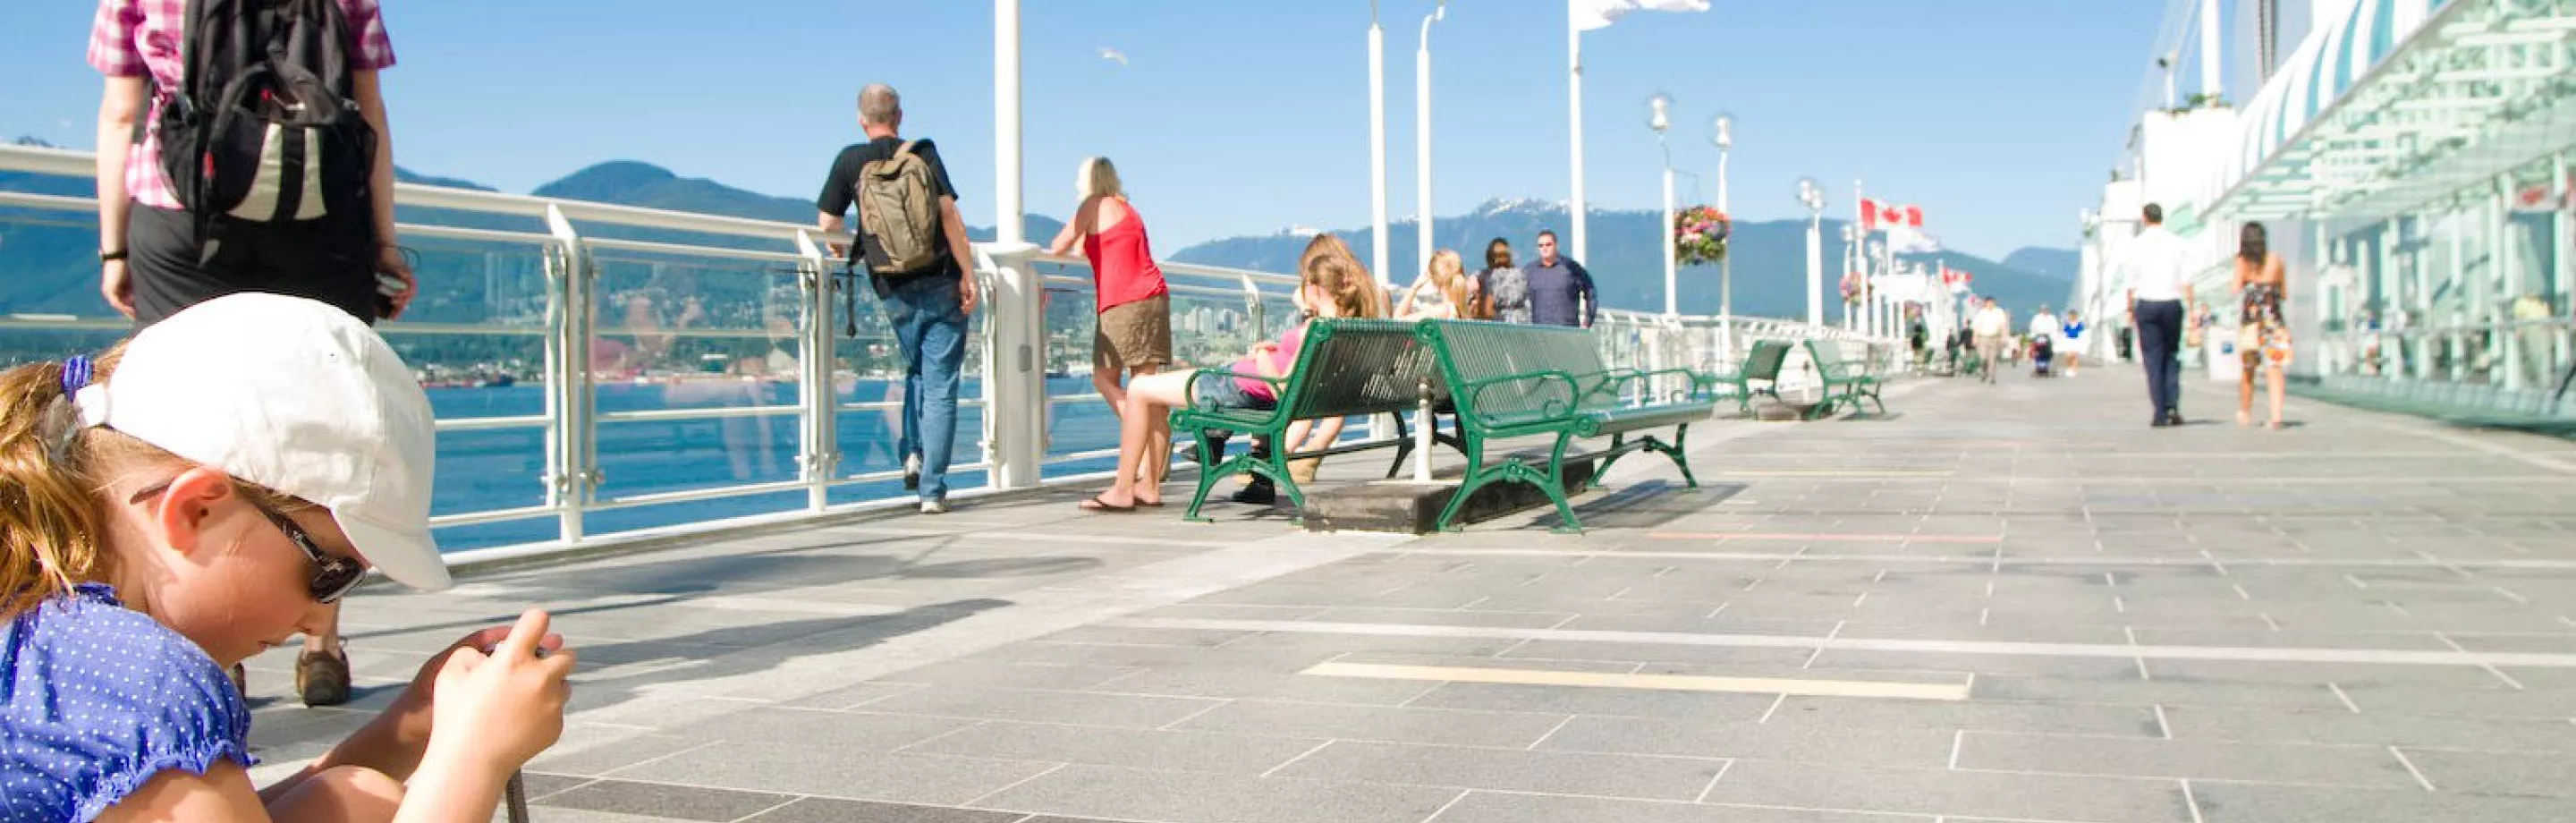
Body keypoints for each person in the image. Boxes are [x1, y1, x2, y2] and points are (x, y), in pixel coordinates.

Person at [0, 293, 574, 823]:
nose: (320, 619)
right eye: (327, 573)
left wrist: (413, 724)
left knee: (354, 797)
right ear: (198, 511)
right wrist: (476, 758)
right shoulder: (142, 684)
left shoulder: (53, 642)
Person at [90, 0, 416, 709]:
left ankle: (207, 649)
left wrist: (115, 247)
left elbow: (122, 115)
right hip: (322, 220)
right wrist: (384, 242)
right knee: (332, 432)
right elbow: (370, 116)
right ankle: (322, 644)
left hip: (183, 216)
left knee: (175, 430)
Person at [1080, 254, 1378, 512]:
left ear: (1313, 288)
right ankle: (1147, 485)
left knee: (1139, 388)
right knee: (1151, 390)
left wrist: (1262, 354)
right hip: (1245, 387)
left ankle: (1124, 488)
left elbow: (1281, 386)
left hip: (1236, 389)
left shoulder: (1315, 328)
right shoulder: (1344, 329)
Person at [816, 84, 980, 514]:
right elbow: (950, 217)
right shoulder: (923, 153)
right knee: (940, 385)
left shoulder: (850, 159)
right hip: (940, 278)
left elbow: (828, 222)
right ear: (900, 116)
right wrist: (968, 272)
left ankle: (912, 452)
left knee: (917, 370)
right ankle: (931, 490)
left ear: (861, 118)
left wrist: (842, 247)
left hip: (892, 285)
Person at [1046, 157, 1172, 485]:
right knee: (1148, 388)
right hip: (1155, 297)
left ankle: (1141, 445)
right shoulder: (1128, 209)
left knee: (1103, 379)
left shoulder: (1092, 204)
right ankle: (1151, 480)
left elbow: (1058, 245)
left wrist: (1051, 267)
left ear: (1088, 181)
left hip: (1123, 302)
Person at [2125, 203, 2193, 428]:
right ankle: (2172, 406)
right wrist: (2191, 310)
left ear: (2144, 218)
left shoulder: (2136, 245)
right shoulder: (2178, 242)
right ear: (2162, 217)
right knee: (2172, 355)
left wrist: (2129, 310)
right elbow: (2186, 280)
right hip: (2172, 302)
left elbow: (2131, 283)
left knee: (2153, 359)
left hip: (2147, 303)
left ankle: (2159, 410)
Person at [2233, 222, 2292, 428]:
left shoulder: (2242, 262)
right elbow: (2283, 293)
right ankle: (2276, 416)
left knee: (2248, 369)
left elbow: (2235, 288)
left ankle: (2246, 411)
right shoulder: (2276, 261)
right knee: (2274, 368)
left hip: (2250, 323)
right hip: (2274, 322)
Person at [1521, 230, 1597, 328]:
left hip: (1567, 331)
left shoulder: (1571, 268)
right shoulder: (1529, 271)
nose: (1544, 248)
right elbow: (1518, 297)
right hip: (1539, 331)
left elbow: (1590, 292)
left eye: (1548, 245)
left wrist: (1588, 321)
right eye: (1541, 245)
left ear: (1556, 245)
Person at [1469, 238, 1530, 323]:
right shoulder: (1521, 276)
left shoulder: (1484, 276)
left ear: (1489, 256)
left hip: (1495, 326)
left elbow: (1486, 307)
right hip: (1518, 324)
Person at [1398, 250, 1470, 320]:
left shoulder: (1443, 311)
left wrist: (1414, 287)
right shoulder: (1464, 312)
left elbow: (1398, 322)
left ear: (1434, 281)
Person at [1970, 298, 2011, 385]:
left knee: (1993, 358)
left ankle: (1992, 376)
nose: (1990, 305)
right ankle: (1984, 372)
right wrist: (1975, 338)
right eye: (1989, 303)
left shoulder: (1999, 312)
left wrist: (2004, 338)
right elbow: (1976, 327)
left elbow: (2003, 325)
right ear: (1985, 304)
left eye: (1992, 303)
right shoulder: (1981, 313)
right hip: (1983, 338)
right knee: (1983, 358)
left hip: (1994, 338)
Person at [2060, 310, 2087, 377]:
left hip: (2076, 340)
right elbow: (2064, 331)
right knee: (2069, 355)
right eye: (2071, 315)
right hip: (2069, 340)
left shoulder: (2079, 324)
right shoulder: (2067, 324)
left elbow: (2082, 332)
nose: (2072, 317)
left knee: (2075, 355)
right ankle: (2069, 368)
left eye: (2073, 315)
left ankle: (2074, 370)